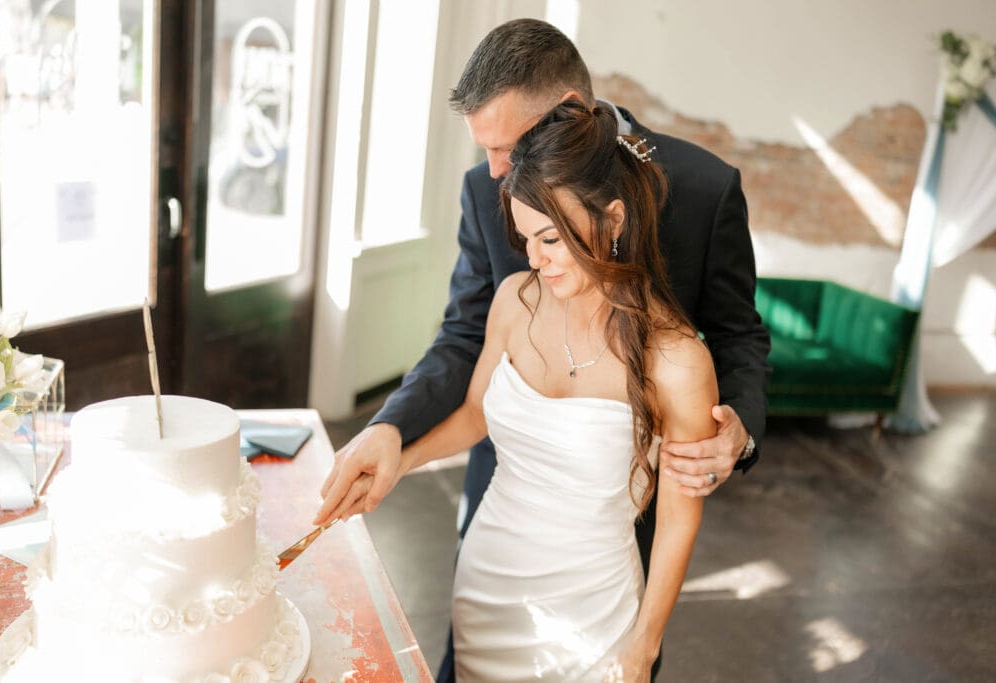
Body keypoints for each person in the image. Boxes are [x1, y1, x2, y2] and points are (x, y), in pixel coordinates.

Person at [315, 18, 770, 680]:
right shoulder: (487, 193)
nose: (499, 173)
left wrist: (738, 430)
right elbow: (464, 335)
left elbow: (738, 333)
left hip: (612, 530)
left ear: (570, 115)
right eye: (488, 152)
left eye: (510, 147)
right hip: (504, 508)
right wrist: (392, 433)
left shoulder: (702, 188)